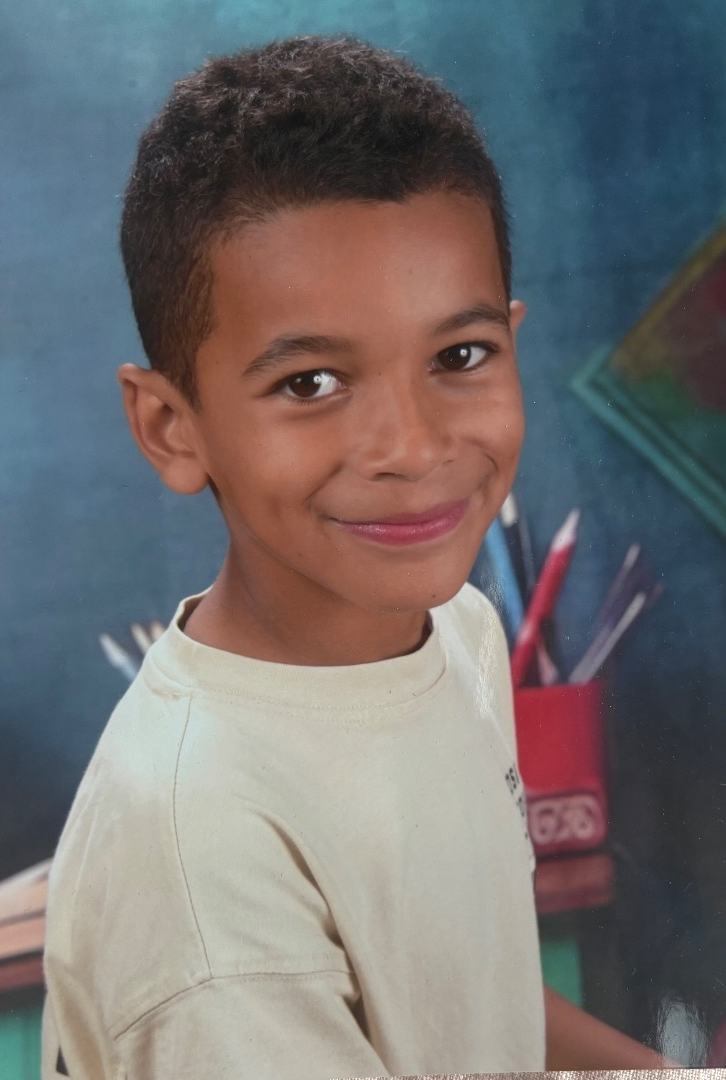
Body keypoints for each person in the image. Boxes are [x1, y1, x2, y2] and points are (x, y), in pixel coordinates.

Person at [41, 35, 673, 1079]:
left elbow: (465, 1000)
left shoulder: (456, 632)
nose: (413, 448)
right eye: (310, 384)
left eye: (459, 357)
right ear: (170, 427)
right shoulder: (202, 855)